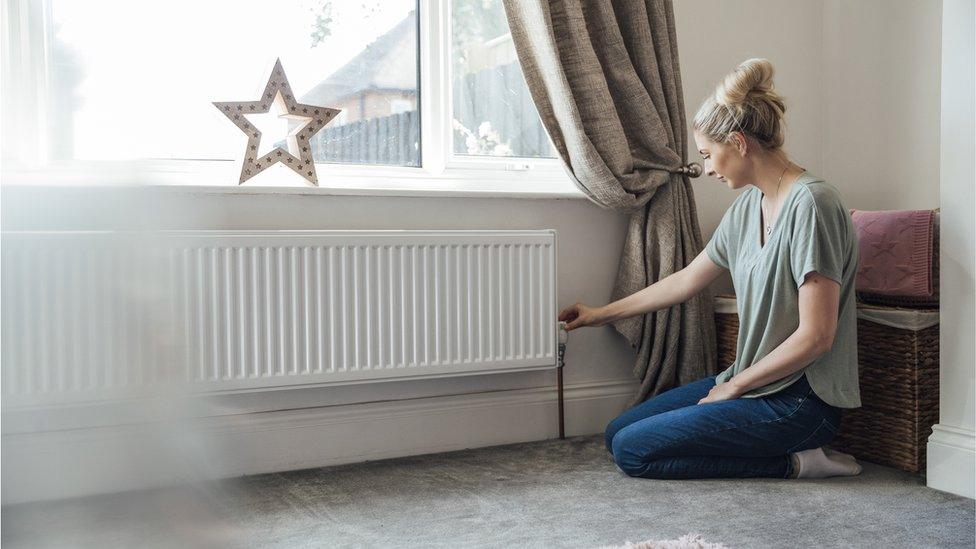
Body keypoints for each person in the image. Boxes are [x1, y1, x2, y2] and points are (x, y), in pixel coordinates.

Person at [557, 58, 863, 480]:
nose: (708, 169)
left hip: (799, 401)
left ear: (737, 142)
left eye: (708, 155)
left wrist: (733, 389)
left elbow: (817, 336)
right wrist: (598, 314)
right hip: (751, 382)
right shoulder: (745, 209)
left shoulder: (813, 204)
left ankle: (799, 462)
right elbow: (686, 280)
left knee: (633, 453)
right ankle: (783, 445)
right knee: (617, 433)